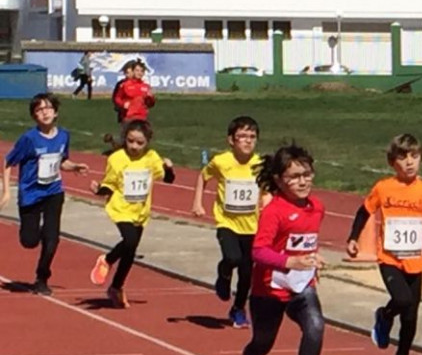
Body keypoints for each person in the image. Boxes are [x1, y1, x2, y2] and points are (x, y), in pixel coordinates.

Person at [225, 144, 328, 355]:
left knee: (316, 325)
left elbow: (306, 242)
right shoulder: (275, 212)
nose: (302, 181)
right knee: (262, 343)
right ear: (280, 181)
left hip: (302, 286)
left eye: (306, 174)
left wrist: (312, 258)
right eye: (294, 176)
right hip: (269, 289)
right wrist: (288, 262)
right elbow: (258, 251)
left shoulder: (317, 208)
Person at [346, 133, 422, 355]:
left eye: (414, 156)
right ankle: (385, 316)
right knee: (401, 299)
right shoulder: (383, 188)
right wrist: (353, 238)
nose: (409, 162)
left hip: (416, 261)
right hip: (389, 258)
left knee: (411, 317)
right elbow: (363, 211)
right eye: (402, 157)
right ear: (392, 162)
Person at [0, 93, 88, 295]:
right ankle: (34, 230)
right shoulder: (29, 139)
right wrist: (6, 192)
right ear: (34, 116)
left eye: (48, 108)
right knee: (29, 241)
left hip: (53, 192)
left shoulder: (63, 135)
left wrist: (74, 166)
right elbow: (8, 162)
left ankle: (42, 277)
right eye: (39, 110)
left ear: (55, 112)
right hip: (30, 194)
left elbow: (61, 160)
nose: (45, 112)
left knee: (52, 239)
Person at [88, 120, 175, 308]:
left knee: (130, 251)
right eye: (130, 141)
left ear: (147, 142)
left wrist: (168, 168)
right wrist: (98, 190)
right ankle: (108, 259)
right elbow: (109, 184)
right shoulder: (117, 159)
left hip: (141, 211)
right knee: (129, 241)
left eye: (139, 143)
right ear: (125, 139)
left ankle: (116, 287)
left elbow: (168, 179)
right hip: (121, 208)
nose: (134, 146)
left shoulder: (151, 158)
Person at [191, 115, 262, 327]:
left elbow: (267, 190)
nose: (248, 141)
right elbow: (203, 177)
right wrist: (197, 203)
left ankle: (239, 308)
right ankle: (223, 275)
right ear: (231, 140)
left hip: (252, 225)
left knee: (247, 274)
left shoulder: (259, 164)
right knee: (232, 258)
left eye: (252, 136)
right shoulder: (221, 162)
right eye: (242, 136)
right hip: (227, 223)